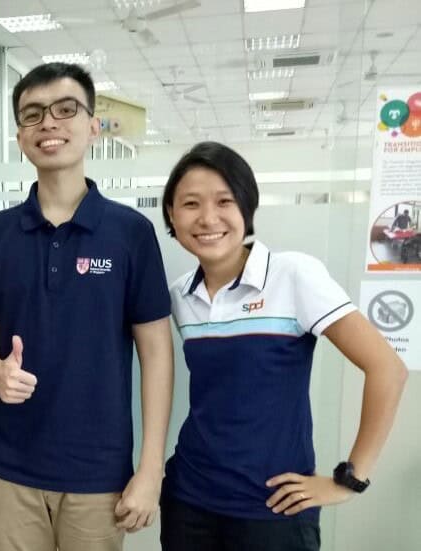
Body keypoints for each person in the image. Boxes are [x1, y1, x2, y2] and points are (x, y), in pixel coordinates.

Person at [0, 62, 175, 551]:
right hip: (8, 470)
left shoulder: (130, 233)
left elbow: (157, 354)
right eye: (32, 115)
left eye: (65, 110)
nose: (49, 124)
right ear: (20, 136)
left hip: (98, 475)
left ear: (92, 127)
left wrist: (150, 468)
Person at [159, 141, 408, 551]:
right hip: (190, 500)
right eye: (189, 204)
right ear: (171, 213)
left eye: (224, 201)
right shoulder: (180, 296)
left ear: (246, 207)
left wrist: (351, 478)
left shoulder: (293, 275)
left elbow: (387, 369)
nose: (207, 218)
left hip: (274, 509)